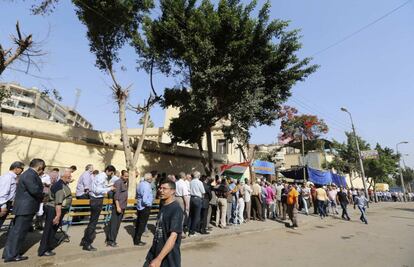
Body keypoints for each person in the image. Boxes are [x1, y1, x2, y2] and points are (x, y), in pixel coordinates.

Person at [3, 159, 45, 263]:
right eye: (42, 169)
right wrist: (44, 195)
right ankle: (12, 255)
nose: (42, 171)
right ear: (39, 167)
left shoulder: (28, 174)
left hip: (24, 208)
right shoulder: (30, 174)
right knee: (19, 233)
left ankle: (8, 253)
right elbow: (34, 190)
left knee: (15, 232)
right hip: (25, 208)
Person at [144, 180, 183, 267]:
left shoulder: (176, 209)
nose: (160, 190)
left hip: (169, 258)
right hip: (155, 252)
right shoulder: (163, 205)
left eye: (164, 188)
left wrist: (159, 259)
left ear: (173, 191)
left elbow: (173, 236)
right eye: (160, 188)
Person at [80, 165, 116, 251]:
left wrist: (108, 186)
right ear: (108, 171)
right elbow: (97, 190)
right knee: (93, 223)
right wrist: (110, 188)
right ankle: (87, 243)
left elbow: (100, 187)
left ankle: (85, 241)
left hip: (96, 200)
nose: (111, 175)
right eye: (111, 173)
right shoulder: (102, 177)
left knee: (92, 222)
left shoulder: (101, 176)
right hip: (96, 200)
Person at [38, 168, 73, 256]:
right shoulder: (59, 186)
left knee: (52, 229)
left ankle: (47, 247)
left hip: (55, 210)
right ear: (63, 176)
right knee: (49, 230)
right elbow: (58, 202)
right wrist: (58, 216)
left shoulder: (63, 184)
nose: (70, 177)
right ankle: (44, 250)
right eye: (69, 176)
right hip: (54, 210)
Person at [106, 170, 129, 247]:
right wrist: (118, 206)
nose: (127, 177)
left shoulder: (123, 183)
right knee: (114, 224)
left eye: (127, 176)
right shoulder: (118, 182)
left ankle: (113, 240)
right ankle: (111, 240)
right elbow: (116, 196)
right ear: (121, 176)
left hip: (122, 206)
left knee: (117, 225)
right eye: (125, 176)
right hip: (118, 207)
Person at [0, 161, 25, 229]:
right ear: (16, 168)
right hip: (3, 203)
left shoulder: (11, 177)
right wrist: (3, 206)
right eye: (22, 169)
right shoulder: (8, 177)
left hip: (7, 203)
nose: (22, 171)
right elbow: (3, 192)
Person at [134, 173, 154, 246]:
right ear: (148, 178)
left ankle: (136, 239)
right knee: (142, 224)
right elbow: (145, 199)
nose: (152, 178)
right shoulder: (146, 186)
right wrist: (149, 204)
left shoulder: (141, 184)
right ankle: (137, 240)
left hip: (140, 206)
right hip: (144, 207)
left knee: (139, 223)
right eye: (151, 177)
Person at [188, 171, 205, 236]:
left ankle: (188, 229)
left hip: (191, 198)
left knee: (191, 215)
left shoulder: (191, 182)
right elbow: (203, 191)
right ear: (198, 176)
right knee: (196, 216)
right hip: (197, 199)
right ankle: (192, 232)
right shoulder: (199, 182)